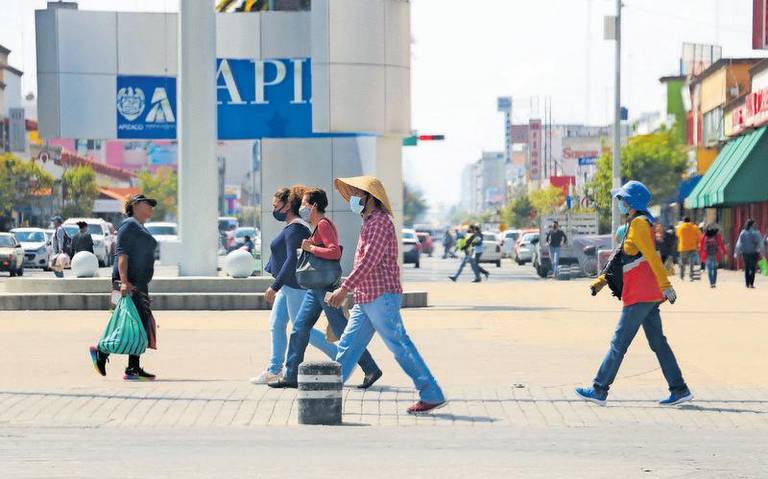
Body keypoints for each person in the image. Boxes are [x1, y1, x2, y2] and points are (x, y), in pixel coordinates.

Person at [327, 175, 446, 415]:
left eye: (357, 195)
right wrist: (351, 289)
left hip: (381, 296)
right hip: (366, 297)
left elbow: (370, 261)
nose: (353, 199)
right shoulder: (368, 223)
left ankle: (431, 393)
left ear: (371, 198)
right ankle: (325, 394)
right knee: (348, 346)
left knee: (399, 345)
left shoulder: (380, 222)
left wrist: (344, 288)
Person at [576, 180, 692, 407]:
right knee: (659, 343)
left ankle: (599, 389)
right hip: (645, 293)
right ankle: (679, 389)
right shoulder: (637, 222)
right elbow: (621, 257)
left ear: (631, 201)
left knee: (618, 343)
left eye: (622, 199)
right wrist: (601, 281)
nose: (619, 202)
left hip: (640, 294)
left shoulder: (639, 224)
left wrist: (666, 284)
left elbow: (651, 256)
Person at [269, 188, 382, 389]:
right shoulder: (317, 226)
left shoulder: (323, 225)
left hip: (326, 287)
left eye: (305, 203)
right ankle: (291, 374)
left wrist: (310, 248)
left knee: (342, 330)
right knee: (299, 328)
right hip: (315, 287)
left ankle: (370, 368)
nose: (302, 207)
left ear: (314, 206)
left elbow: (333, 252)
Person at [250, 186, 338, 384]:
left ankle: (342, 355)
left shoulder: (296, 229)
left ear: (287, 205)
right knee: (277, 325)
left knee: (302, 330)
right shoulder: (293, 227)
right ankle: (274, 369)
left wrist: (275, 286)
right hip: (288, 287)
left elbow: (291, 260)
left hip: (294, 287)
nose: (273, 209)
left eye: (275, 205)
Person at [89, 194, 159, 381]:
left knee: (136, 322)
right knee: (128, 322)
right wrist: (124, 282)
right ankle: (101, 352)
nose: (151, 208)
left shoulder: (138, 226)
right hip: (127, 284)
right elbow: (122, 255)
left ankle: (133, 368)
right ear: (136, 205)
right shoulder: (129, 225)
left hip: (137, 284)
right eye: (148, 204)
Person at [735, 219, 764, 289]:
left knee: (747, 268)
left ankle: (747, 283)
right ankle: (751, 283)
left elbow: (739, 243)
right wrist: (762, 252)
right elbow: (760, 243)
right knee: (753, 268)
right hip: (753, 253)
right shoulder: (756, 233)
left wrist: (736, 252)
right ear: (752, 225)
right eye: (754, 224)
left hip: (745, 253)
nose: (756, 225)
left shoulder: (743, 232)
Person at [699, 224, 726, 288]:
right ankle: (714, 282)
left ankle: (711, 283)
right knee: (715, 269)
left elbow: (701, 247)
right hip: (716, 255)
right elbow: (721, 245)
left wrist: (701, 257)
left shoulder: (704, 236)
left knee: (709, 270)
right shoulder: (717, 236)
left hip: (707, 255)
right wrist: (724, 253)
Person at [676, 217, 701, 281]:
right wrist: (697, 244)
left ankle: (682, 275)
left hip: (683, 247)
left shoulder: (680, 227)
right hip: (693, 247)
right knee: (691, 262)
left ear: (684, 221)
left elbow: (678, 235)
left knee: (682, 262)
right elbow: (699, 236)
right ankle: (691, 276)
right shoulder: (695, 227)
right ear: (690, 221)